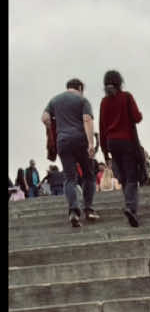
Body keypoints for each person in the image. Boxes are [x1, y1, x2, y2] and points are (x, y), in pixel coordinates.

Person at [41, 78, 98, 228]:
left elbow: (45, 118)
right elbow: (87, 120)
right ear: (79, 87)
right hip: (80, 140)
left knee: (69, 178)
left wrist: (55, 125)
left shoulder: (54, 100)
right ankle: (89, 209)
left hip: (63, 142)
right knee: (88, 175)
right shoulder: (82, 100)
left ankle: (73, 211)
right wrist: (91, 143)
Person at [98, 70, 143, 227]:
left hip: (112, 143)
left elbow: (102, 127)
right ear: (120, 82)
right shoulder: (126, 97)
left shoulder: (104, 102)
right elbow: (137, 117)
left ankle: (130, 207)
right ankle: (130, 207)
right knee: (131, 177)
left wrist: (104, 152)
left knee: (123, 177)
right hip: (127, 141)